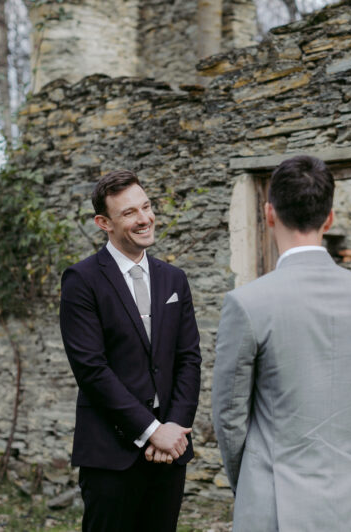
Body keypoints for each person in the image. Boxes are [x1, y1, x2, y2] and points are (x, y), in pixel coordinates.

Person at [213, 155, 351, 532]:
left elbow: (229, 420)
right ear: (329, 219)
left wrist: (248, 486)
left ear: (269, 213)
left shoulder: (247, 303)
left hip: (274, 501)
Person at [59, 170, 202, 532]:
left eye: (147, 207)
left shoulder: (174, 279)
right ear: (103, 223)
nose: (145, 219)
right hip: (111, 451)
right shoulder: (82, 280)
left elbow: (188, 358)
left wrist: (174, 428)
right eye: (130, 213)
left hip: (170, 450)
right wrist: (151, 430)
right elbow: (91, 369)